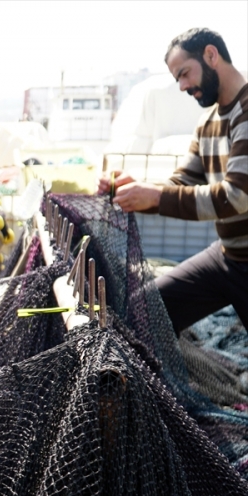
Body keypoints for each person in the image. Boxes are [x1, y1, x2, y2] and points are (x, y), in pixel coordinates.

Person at [98, 27, 248, 332]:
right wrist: (136, 189)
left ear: (211, 55)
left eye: (184, 74)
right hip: (228, 258)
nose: (182, 86)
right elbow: (182, 182)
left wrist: (155, 197)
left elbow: (237, 196)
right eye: (177, 79)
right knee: (144, 313)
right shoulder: (208, 122)